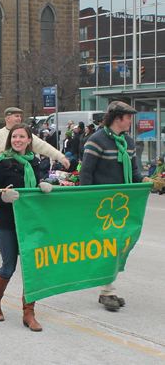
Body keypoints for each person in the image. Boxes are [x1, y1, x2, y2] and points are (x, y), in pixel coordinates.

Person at [80, 101, 164, 311]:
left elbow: (134, 173)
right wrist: (87, 201)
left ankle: (107, 288)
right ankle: (107, 291)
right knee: (107, 247)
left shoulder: (128, 142)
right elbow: (86, 174)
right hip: (102, 204)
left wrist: (148, 182)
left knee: (119, 246)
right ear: (117, 118)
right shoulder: (96, 140)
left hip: (123, 203)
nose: (130, 121)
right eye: (128, 117)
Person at [0, 123, 52, 332]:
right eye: (14, 137)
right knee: (8, 267)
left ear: (29, 140)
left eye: (22, 137)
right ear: (10, 140)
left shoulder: (35, 162)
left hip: (30, 222)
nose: (18, 140)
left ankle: (29, 312)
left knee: (31, 268)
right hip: (7, 223)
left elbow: (34, 184)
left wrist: (42, 185)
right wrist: (3, 197)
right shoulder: (2, 162)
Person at [0, 108, 70, 169]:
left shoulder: (25, 133)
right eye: (17, 116)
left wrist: (61, 157)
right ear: (8, 118)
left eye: (20, 116)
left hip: (23, 172)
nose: (19, 119)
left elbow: (43, 146)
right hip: (3, 173)